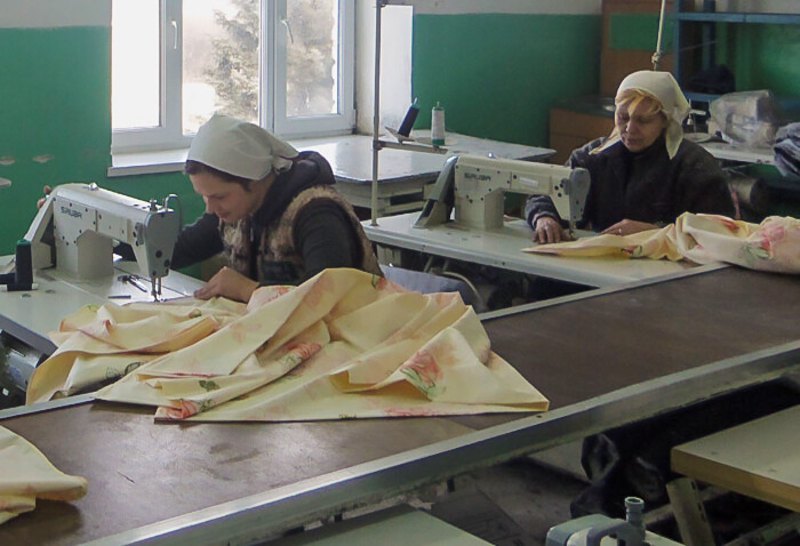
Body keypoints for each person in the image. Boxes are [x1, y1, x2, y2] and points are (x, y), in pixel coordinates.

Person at [38, 114, 382, 302]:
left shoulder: (317, 215)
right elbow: (172, 249)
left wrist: (247, 290)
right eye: (204, 198)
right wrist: (75, 227)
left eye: (218, 197)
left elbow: (330, 301)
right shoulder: (238, 211)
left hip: (358, 350)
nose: (212, 208)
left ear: (254, 179)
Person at [526, 70, 735, 244]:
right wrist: (544, 217)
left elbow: (720, 231)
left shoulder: (696, 167)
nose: (629, 129)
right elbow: (546, 191)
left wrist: (656, 232)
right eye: (622, 117)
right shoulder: (595, 157)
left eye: (643, 121)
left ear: (665, 122)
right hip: (604, 263)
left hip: (666, 273)